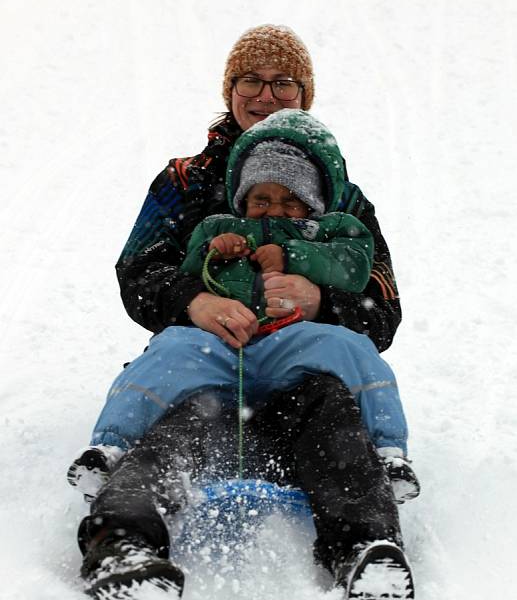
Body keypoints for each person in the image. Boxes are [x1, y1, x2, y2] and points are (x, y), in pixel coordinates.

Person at [74, 26, 416, 600]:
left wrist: (319, 300)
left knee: (334, 418)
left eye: (283, 82)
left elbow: (381, 306)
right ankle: (121, 544)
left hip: (300, 376)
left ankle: (365, 548)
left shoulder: (341, 197)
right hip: (207, 368)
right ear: (229, 90)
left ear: (304, 95)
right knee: (175, 432)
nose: (266, 95)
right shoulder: (185, 181)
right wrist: (194, 303)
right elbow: (138, 274)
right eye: (250, 81)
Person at [69, 109, 419, 505]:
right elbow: (153, 271)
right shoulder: (201, 202)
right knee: (169, 350)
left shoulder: (339, 222)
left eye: (292, 201)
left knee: (350, 347)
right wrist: (206, 266)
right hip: (219, 345)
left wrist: (302, 270)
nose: (275, 209)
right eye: (261, 199)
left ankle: (389, 453)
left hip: (292, 344)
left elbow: (358, 273)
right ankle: (110, 447)